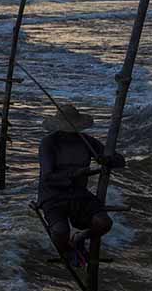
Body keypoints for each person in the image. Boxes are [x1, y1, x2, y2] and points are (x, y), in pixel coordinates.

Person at [37, 104, 125, 267]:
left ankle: (80, 238)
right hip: (53, 196)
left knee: (104, 223)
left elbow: (120, 160)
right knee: (60, 231)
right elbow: (47, 177)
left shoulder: (86, 141)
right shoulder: (48, 143)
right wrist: (74, 174)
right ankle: (67, 251)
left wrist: (107, 159)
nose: (69, 134)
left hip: (79, 194)